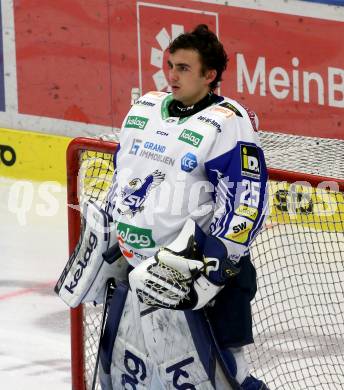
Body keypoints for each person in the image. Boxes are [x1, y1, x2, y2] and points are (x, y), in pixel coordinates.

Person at [56, 24, 269, 389]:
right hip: (137, 276)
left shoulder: (226, 124)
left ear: (210, 75)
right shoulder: (144, 110)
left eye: (184, 68)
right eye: (170, 65)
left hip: (192, 279)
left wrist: (215, 261)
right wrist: (111, 231)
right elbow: (123, 177)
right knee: (132, 376)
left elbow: (246, 202)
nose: (172, 75)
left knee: (224, 377)